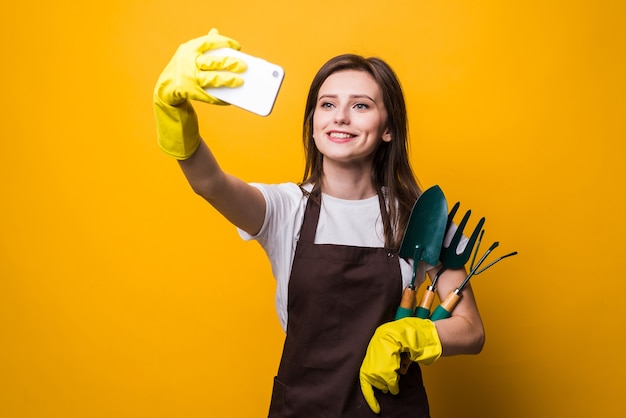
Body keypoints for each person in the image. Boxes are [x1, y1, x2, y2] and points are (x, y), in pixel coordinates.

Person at [153, 29, 485, 417]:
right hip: (303, 407)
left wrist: (412, 335)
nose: (340, 116)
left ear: (388, 128)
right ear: (313, 122)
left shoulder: (419, 216)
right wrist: (173, 114)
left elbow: (471, 330)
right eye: (327, 105)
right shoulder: (285, 209)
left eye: (360, 106)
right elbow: (209, 183)